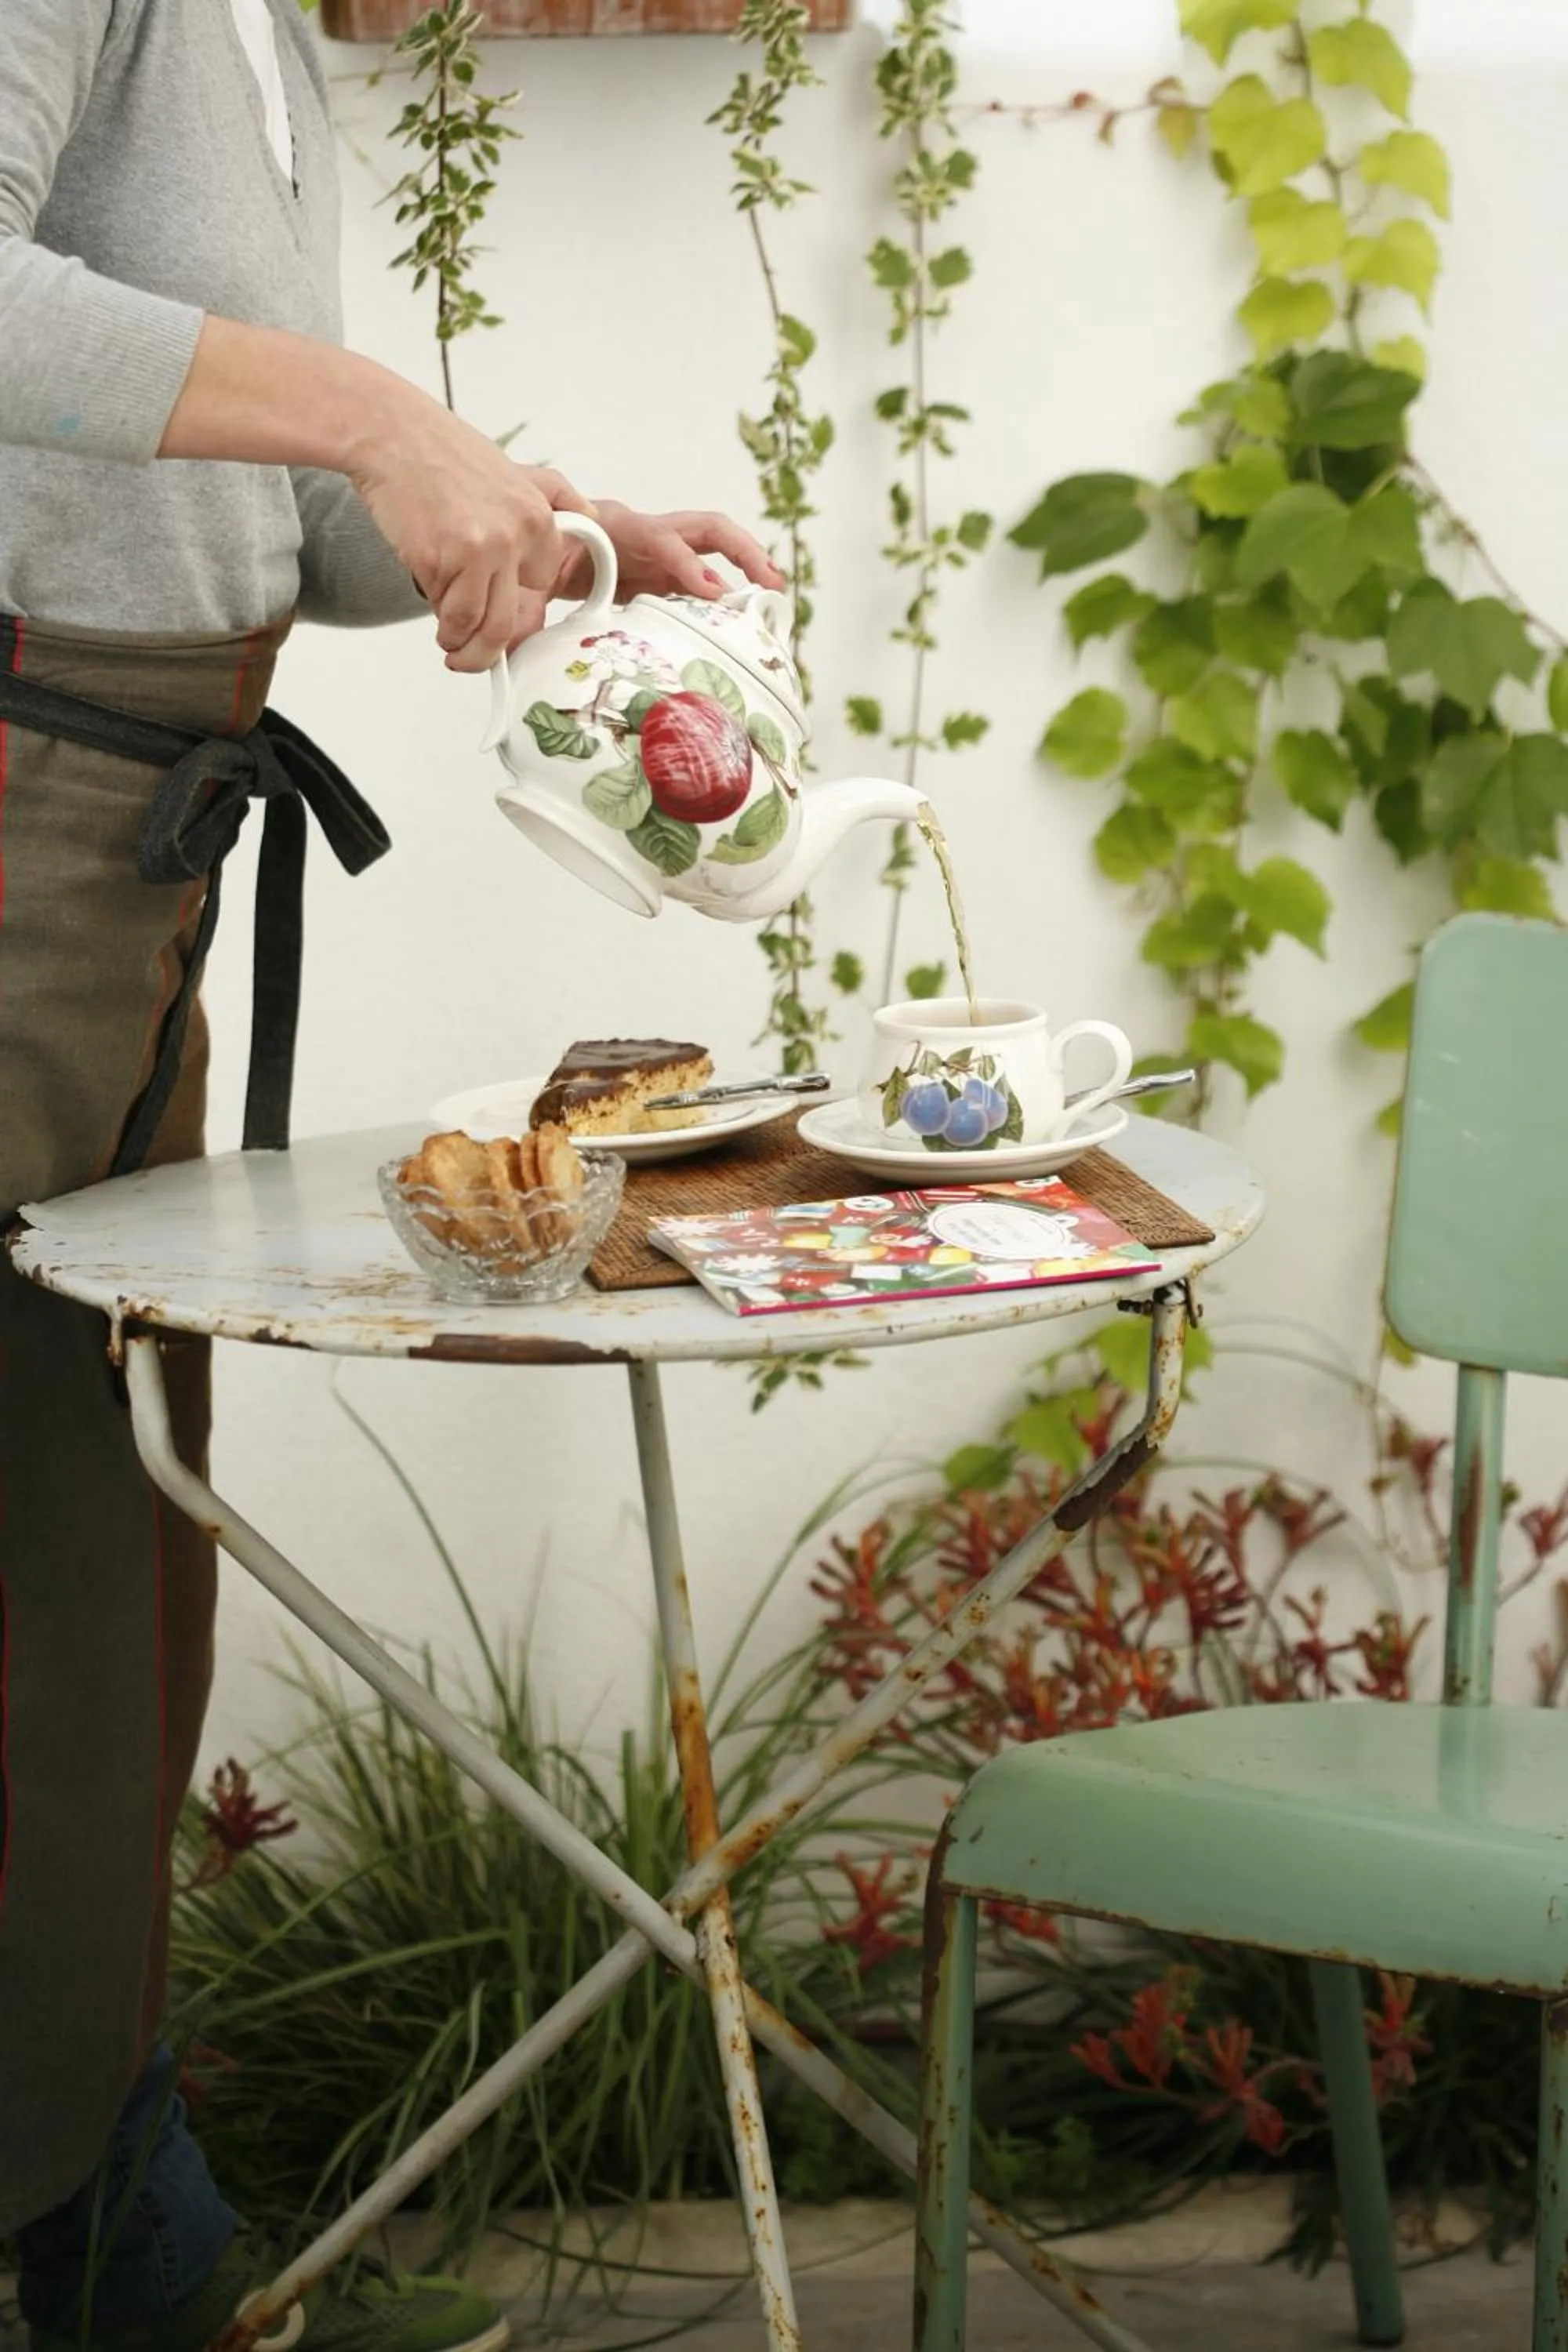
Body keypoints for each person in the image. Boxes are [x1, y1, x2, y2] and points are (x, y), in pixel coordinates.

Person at [0, 5, 782, 2349]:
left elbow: (209, 479)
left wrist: (538, 519)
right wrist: (379, 415)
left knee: (101, 1546)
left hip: (122, 825)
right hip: (27, 800)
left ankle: (96, 2206)